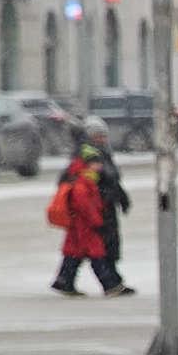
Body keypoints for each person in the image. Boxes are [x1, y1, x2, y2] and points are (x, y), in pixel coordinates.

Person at [46, 123, 134, 297]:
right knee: (97, 253)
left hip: (88, 220)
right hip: (90, 221)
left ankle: (65, 280)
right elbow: (84, 202)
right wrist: (97, 219)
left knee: (76, 253)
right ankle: (110, 284)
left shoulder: (91, 167)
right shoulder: (84, 175)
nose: (102, 139)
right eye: (98, 136)